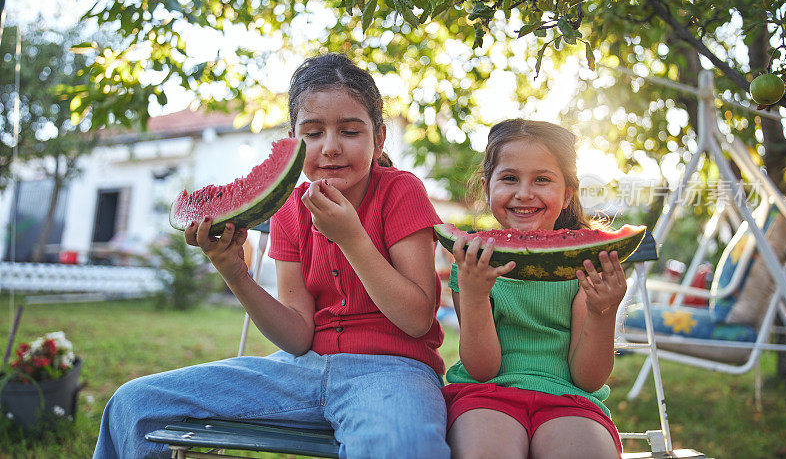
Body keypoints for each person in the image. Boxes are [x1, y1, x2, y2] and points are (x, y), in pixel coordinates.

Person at [93, 54, 450, 459]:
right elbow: (297, 337)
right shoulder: (288, 209)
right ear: (293, 142)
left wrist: (351, 238)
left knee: (401, 447)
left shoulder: (401, 192)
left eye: (350, 131)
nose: (331, 148)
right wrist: (233, 270)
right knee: (135, 406)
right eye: (313, 134)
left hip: (393, 373)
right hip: (300, 371)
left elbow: (418, 319)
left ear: (379, 138)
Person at [443, 119, 625, 459]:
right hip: (485, 395)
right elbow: (483, 369)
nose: (524, 193)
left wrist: (604, 311)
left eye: (542, 179)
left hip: (569, 399)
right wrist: (474, 294)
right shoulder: (470, 263)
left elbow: (588, 378)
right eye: (509, 178)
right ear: (487, 188)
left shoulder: (586, 265)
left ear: (568, 193)